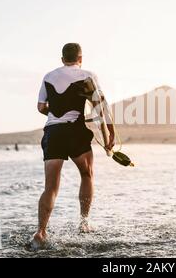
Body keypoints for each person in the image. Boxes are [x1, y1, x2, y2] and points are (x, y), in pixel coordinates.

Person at [32, 43, 115, 247]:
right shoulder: (88, 75)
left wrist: (56, 112)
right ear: (80, 58)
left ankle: (41, 232)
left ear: (62, 59)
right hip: (76, 131)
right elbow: (100, 108)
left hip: (53, 132)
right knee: (87, 175)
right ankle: (84, 223)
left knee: (50, 187)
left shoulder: (48, 76)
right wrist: (109, 137)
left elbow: (41, 107)